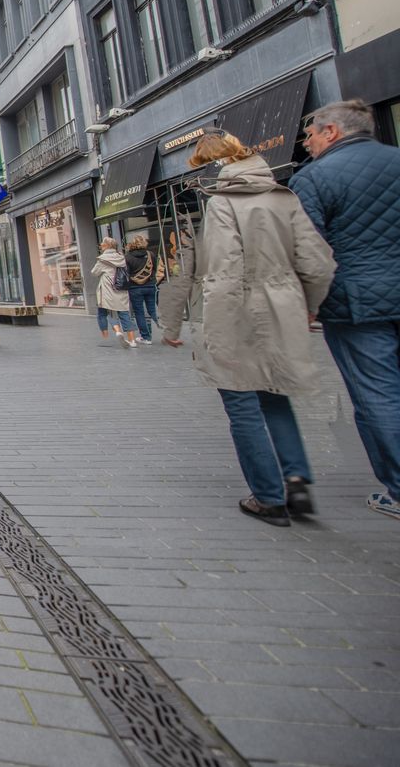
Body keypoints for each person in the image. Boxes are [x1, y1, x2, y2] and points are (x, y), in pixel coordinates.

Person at [161, 131, 335, 527]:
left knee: (241, 403)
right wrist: (307, 308)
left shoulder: (221, 204)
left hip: (236, 314)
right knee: (275, 395)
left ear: (216, 165)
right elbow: (318, 263)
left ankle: (269, 498)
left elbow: (221, 273)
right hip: (282, 310)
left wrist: (211, 335)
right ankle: (295, 478)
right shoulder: (283, 197)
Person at [290, 99, 400, 520]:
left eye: (311, 135)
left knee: (378, 394)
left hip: (358, 306)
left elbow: (309, 252)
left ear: (331, 131)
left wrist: (309, 304)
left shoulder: (314, 179)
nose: (308, 143)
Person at [91, 238, 137, 349]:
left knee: (107, 312)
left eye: (102, 243)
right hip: (121, 288)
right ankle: (132, 340)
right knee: (124, 313)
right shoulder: (122, 257)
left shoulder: (102, 259)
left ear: (107, 246)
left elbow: (94, 272)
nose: (101, 244)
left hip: (107, 289)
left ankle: (114, 334)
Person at [124, 233, 160, 345]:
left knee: (139, 312)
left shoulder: (128, 257)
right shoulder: (151, 254)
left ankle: (146, 337)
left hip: (135, 288)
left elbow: (126, 273)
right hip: (150, 286)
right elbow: (155, 269)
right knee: (152, 310)